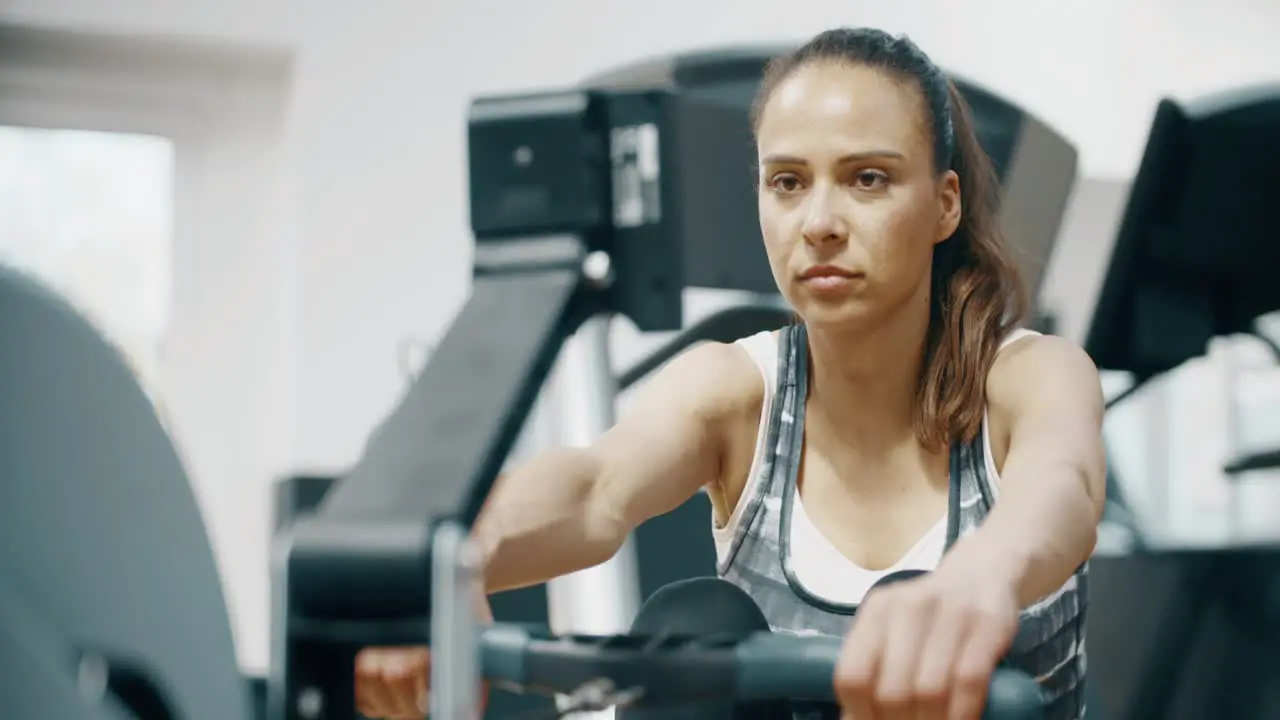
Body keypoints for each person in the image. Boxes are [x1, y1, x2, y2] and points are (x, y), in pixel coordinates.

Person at [354, 27, 1105, 720]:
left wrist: (975, 583)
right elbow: (593, 489)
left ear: (944, 205)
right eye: (787, 182)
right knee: (695, 628)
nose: (819, 222)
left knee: (920, 612)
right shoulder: (734, 391)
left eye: (867, 179)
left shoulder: (1031, 378)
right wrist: (446, 567)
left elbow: (1061, 485)